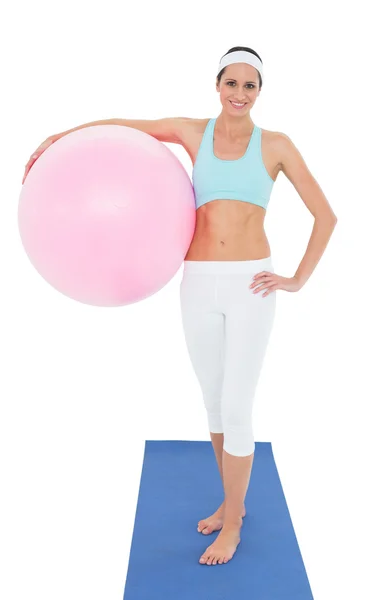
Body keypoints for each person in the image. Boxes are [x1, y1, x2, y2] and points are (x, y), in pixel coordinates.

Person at [23, 46, 338, 567]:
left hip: (250, 285)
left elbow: (325, 216)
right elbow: (125, 127)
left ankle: (233, 523)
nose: (240, 94)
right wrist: (64, 137)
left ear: (260, 91)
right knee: (214, 404)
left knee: (237, 407)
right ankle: (229, 502)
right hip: (198, 283)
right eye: (231, 83)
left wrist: (297, 280)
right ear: (217, 85)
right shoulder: (194, 133)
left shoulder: (276, 145)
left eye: (250, 85)